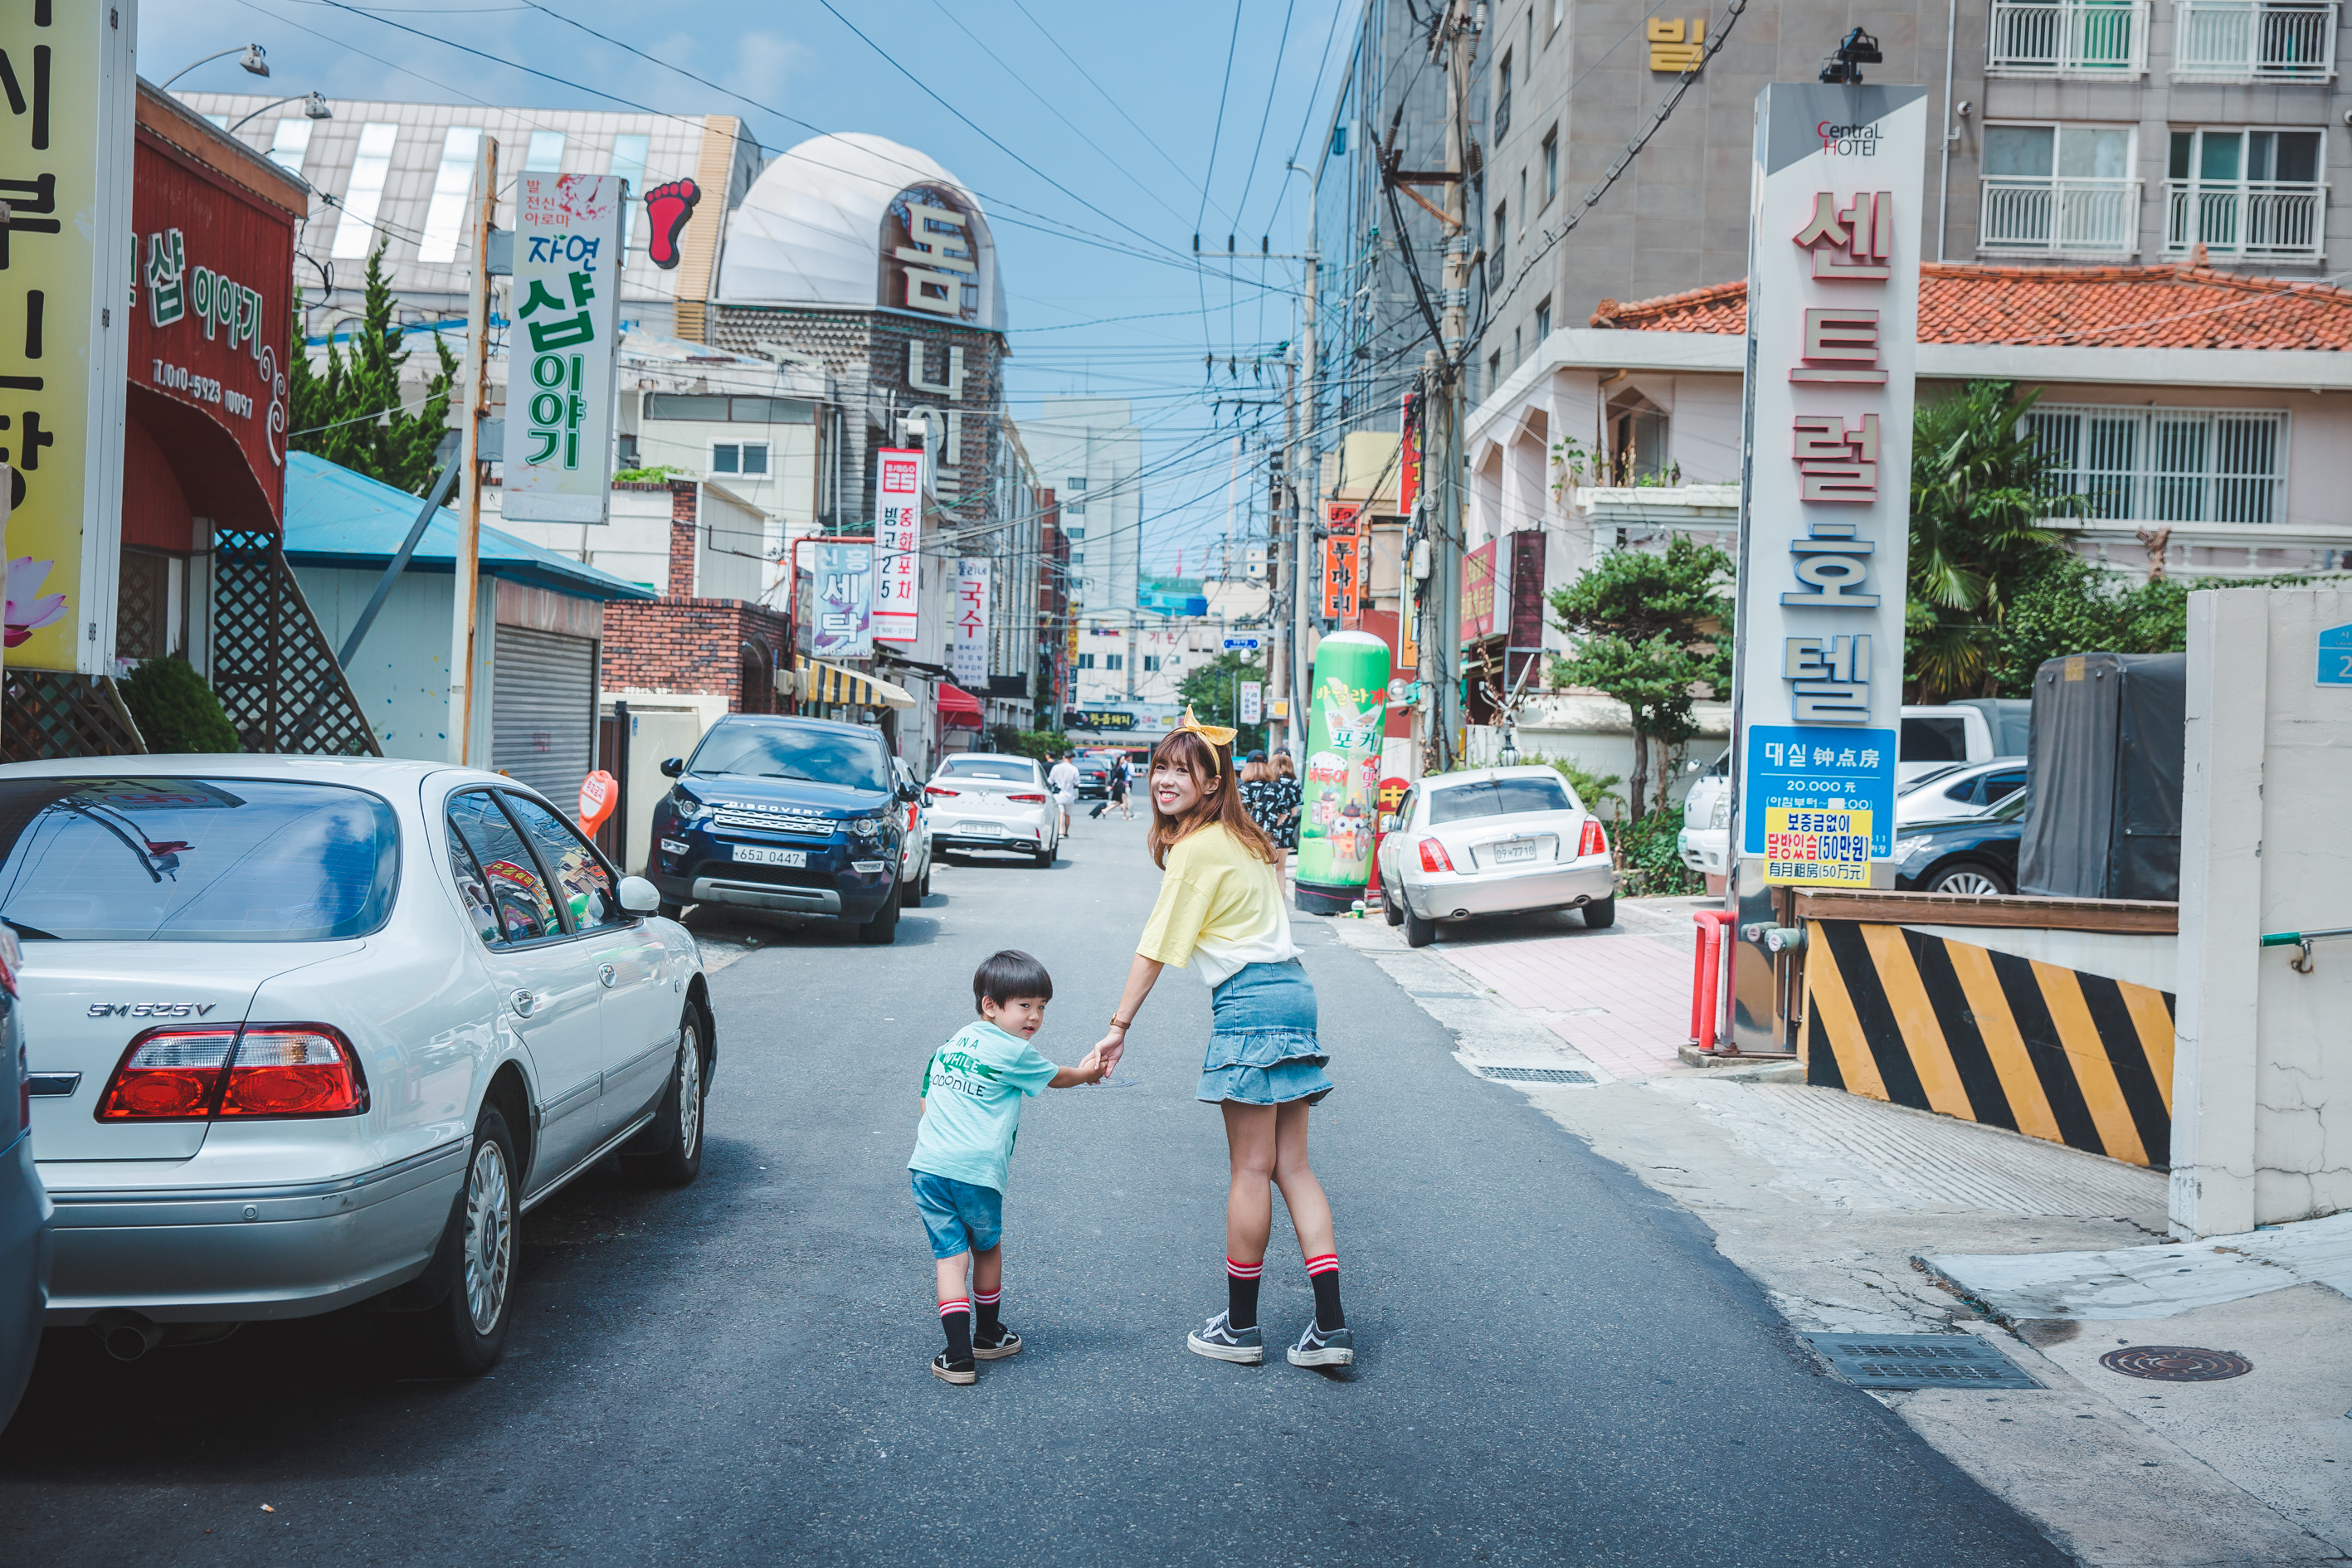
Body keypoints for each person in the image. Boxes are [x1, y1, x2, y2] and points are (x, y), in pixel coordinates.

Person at [1090, 708, 1352, 1370]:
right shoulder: (1246, 840)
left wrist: (1117, 1028)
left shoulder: (1197, 847)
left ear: (1212, 784)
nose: (1164, 780)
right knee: (1292, 1165)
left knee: (1251, 1169)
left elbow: (1155, 947)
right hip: (1294, 992)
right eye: (1159, 767)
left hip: (1250, 1001)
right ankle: (1330, 1327)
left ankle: (1239, 1329)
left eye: (1184, 770)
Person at [910, 949, 1107, 1385]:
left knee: (948, 1259)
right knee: (986, 1249)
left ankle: (958, 1357)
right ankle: (987, 1335)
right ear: (990, 1005)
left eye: (1041, 1007)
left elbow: (926, 1097)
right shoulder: (1014, 1052)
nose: (1034, 1017)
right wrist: (1089, 1074)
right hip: (977, 1173)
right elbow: (1058, 1076)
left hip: (927, 1166)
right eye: (1025, 1006)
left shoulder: (953, 1042)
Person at [1047, 752, 1080, 837]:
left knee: (1060, 812)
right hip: (1069, 794)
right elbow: (1077, 783)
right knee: (1067, 814)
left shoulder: (1056, 767)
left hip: (1058, 794)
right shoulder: (1074, 769)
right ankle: (1066, 832)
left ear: (1063, 757)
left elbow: (1050, 780)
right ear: (1072, 758)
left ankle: (1060, 831)